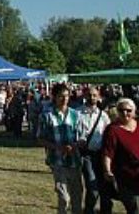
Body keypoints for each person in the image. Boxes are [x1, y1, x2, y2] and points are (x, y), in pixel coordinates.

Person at [102, 98, 139, 214]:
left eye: (128, 110)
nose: (125, 113)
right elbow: (108, 152)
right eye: (121, 110)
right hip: (129, 179)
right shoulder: (112, 130)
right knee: (137, 211)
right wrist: (107, 170)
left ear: (134, 111)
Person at [40, 83, 83, 214]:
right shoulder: (47, 116)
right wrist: (57, 147)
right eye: (60, 96)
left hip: (74, 161)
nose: (64, 99)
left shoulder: (76, 115)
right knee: (64, 197)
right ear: (54, 97)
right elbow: (40, 138)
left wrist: (74, 146)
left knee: (77, 198)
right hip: (57, 161)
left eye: (66, 96)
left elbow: (82, 137)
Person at [76, 86, 111, 214]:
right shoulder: (77, 113)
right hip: (86, 155)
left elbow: (108, 135)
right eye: (90, 95)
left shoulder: (104, 116)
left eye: (95, 95)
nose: (92, 98)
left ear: (99, 97)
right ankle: (89, 211)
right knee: (92, 186)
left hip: (101, 155)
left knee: (103, 186)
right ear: (85, 96)